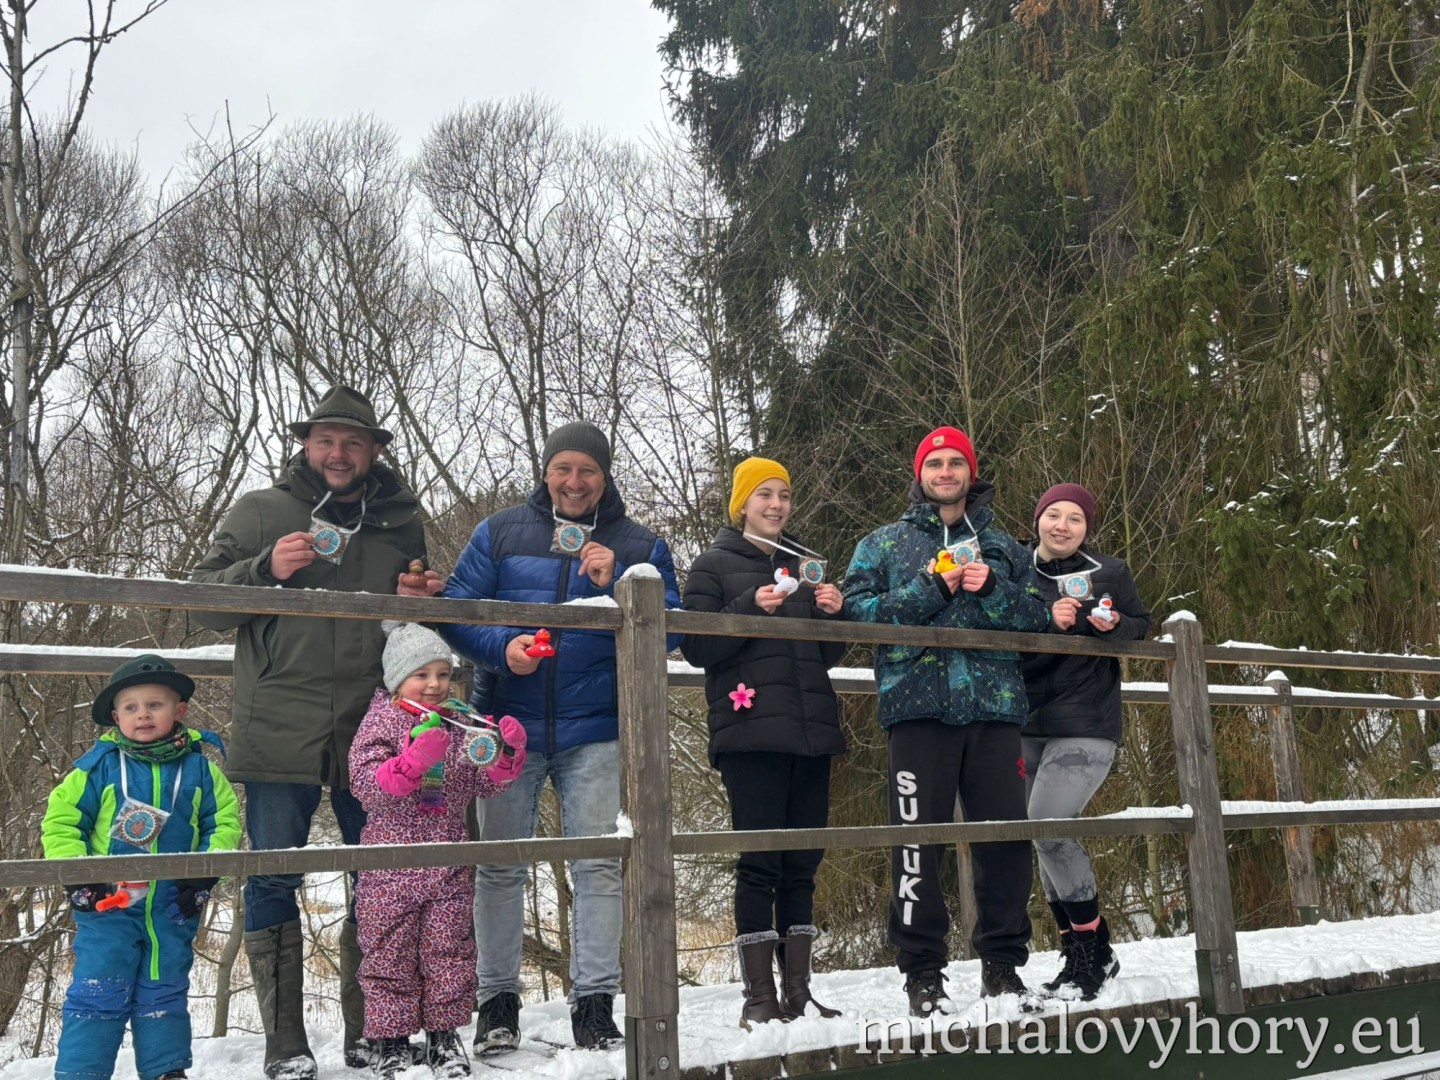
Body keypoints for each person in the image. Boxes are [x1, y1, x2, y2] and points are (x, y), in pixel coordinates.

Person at [190, 386, 439, 1078]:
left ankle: (373, 1033)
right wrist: (265, 570)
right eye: (326, 440)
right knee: (273, 878)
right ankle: (285, 1043)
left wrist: (416, 606)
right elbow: (203, 603)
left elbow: (410, 633)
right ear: (306, 444)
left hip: (373, 730)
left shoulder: (400, 523)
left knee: (378, 879)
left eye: (353, 442)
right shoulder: (261, 510)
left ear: (374, 452)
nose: (338, 453)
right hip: (279, 722)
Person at [437, 421, 681, 1055]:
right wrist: (502, 648)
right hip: (506, 728)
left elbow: (674, 631)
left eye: (587, 470)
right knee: (499, 866)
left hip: (596, 728)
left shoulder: (641, 544)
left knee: (597, 865)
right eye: (563, 469)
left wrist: (620, 581)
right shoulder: (499, 531)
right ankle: (496, 1004)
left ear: (605, 476)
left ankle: (594, 1005)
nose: (574, 482)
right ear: (545, 471)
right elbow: (456, 610)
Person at [842, 426, 1048, 1018]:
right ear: (921, 474)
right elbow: (857, 614)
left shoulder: (1005, 546)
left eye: (956, 462)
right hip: (916, 709)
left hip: (994, 708)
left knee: (1005, 841)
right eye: (935, 464)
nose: (946, 472)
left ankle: (1003, 967)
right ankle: (923, 974)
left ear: (970, 472)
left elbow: (1038, 619)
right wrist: (929, 588)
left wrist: (994, 590)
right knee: (915, 844)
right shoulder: (882, 544)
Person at [679, 457, 846, 1028]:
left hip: (812, 731)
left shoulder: (805, 565)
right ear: (742, 504)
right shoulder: (713, 564)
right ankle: (758, 998)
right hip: (750, 735)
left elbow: (826, 656)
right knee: (760, 863)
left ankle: (798, 992)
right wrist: (747, 607)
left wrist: (833, 615)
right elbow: (695, 646)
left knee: (803, 863)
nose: (776, 505)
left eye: (784, 495)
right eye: (764, 495)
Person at [42, 655, 240, 1080]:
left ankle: (166, 1069)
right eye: (131, 707)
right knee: (99, 988)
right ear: (117, 718)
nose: (143, 714)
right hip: (107, 904)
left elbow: (223, 823)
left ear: (179, 711)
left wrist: (204, 875)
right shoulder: (98, 767)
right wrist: (79, 876)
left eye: (155, 705)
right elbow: (61, 822)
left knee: (165, 987)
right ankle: (82, 1073)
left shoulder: (201, 769)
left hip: (172, 904)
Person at [348, 622, 528, 1078]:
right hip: (390, 864)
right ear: (397, 678)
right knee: (388, 953)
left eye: (443, 674)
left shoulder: (462, 722)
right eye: (421, 675)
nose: (434, 685)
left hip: (448, 860)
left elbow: (484, 783)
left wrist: (506, 755)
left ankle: (444, 1037)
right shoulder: (382, 721)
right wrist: (412, 762)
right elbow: (367, 786)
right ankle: (390, 1041)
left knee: (449, 952)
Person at [1022, 483, 1151, 1000]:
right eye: (1053, 514)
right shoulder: (1013, 569)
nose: (1063, 525)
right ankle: (1082, 952)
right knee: (1038, 834)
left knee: (1048, 826)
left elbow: (1141, 624)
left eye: (1075, 518)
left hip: (1086, 720)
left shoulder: (1109, 571)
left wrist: (1112, 624)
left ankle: (1092, 952)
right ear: (1038, 520)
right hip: (1022, 719)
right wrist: (1044, 619)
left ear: (1086, 528)